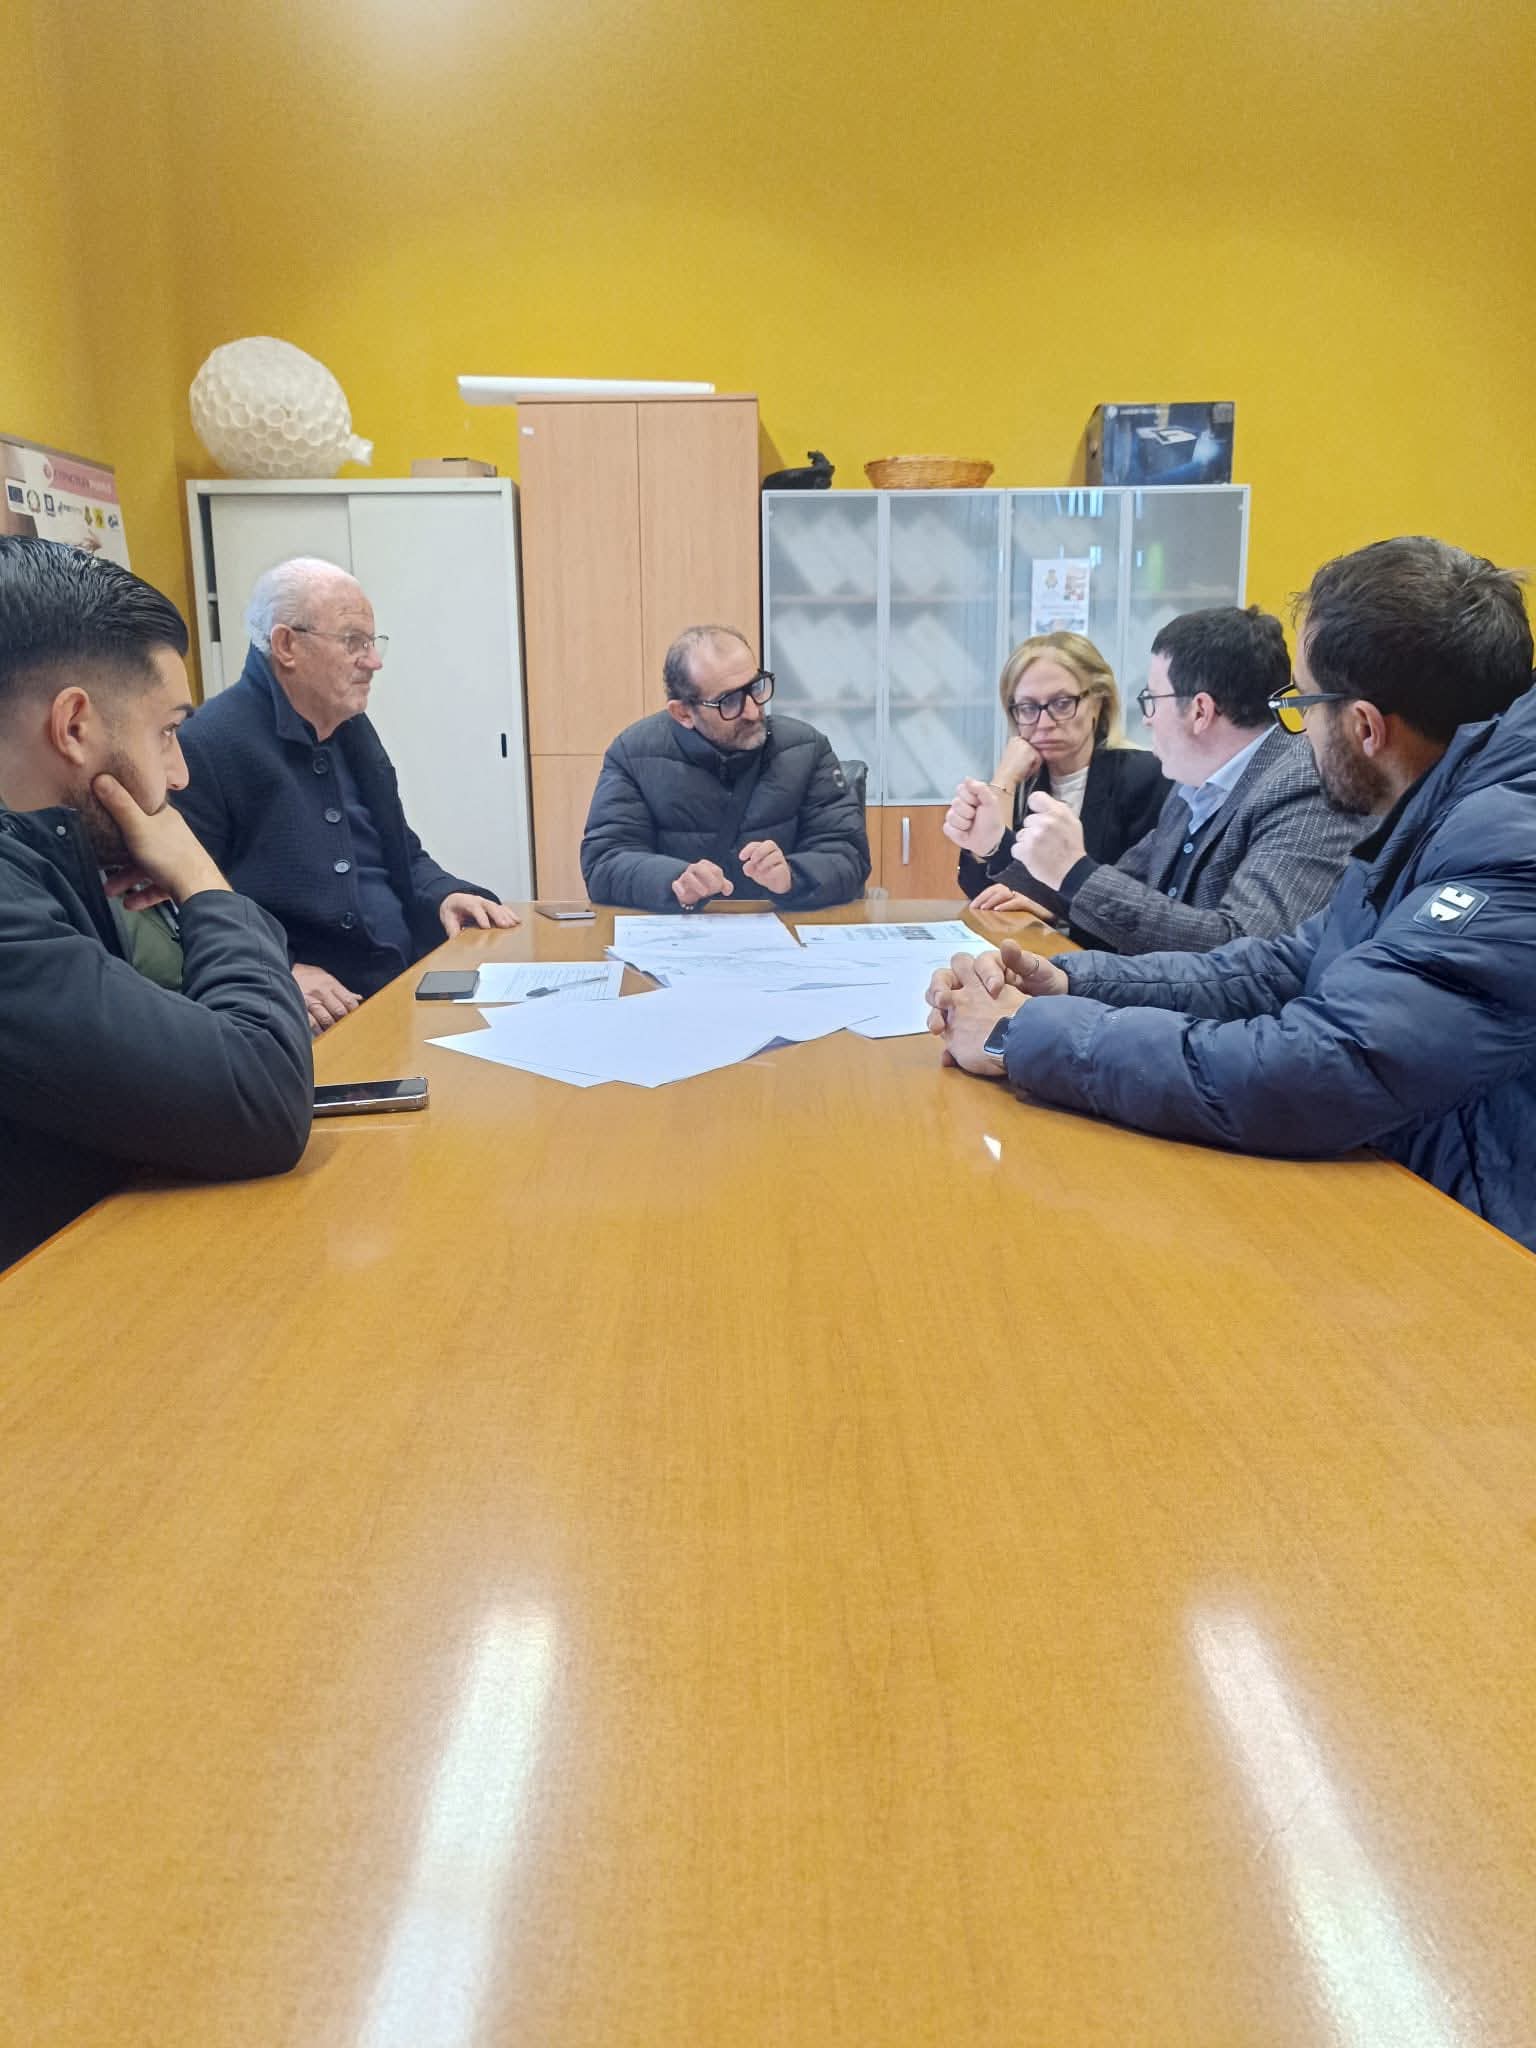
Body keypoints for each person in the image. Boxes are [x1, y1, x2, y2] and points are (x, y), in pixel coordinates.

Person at [926, 536, 1536, 1250]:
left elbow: (1318, 1067)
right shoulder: (1438, 813)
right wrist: (1069, 982)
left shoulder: (1506, 847)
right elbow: (1278, 966)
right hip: (1415, 1184)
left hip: (1482, 1244)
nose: (1298, 731)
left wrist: (1018, 1033)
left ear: (1366, 726)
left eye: (1302, 703)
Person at [0, 537, 312, 1271]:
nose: (178, 775)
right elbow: (261, 1094)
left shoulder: (54, 848)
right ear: (74, 726)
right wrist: (203, 880)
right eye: (167, 732)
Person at [175, 558, 516, 1033]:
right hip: (315, 1012)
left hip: (402, 979)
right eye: (353, 642)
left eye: (373, 643)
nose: (374, 662)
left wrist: (444, 894)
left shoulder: (350, 728)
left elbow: (399, 851)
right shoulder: (207, 744)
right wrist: (281, 968)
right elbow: (181, 904)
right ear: (286, 645)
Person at [945, 605, 1363, 953]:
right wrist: (995, 844)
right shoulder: (1193, 789)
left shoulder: (1304, 786)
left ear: (1200, 711)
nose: (1146, 720)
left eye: (1152, 700)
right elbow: (1117, 886)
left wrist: (1071, 976)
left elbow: (1242, 953)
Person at [580, 624, 871, 911]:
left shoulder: (807, 748)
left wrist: (792, 877)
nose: (753, 711)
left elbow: (848, 855)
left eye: (755, 687)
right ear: (683, 713)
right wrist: (674, 881)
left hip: (780, 927)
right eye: (729, 701)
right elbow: (604, 861)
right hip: (681, 933)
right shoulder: (632, 754)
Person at [949, 632, 1168, 912]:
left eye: (1062, 704)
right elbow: (984, 891)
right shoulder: (1024, 780)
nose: (1044, 723)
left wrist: (1053, 908)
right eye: (1028, 708)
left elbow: (1131, 905)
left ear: (1098, 702)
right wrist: (1004, 779)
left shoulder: (1144, 776)